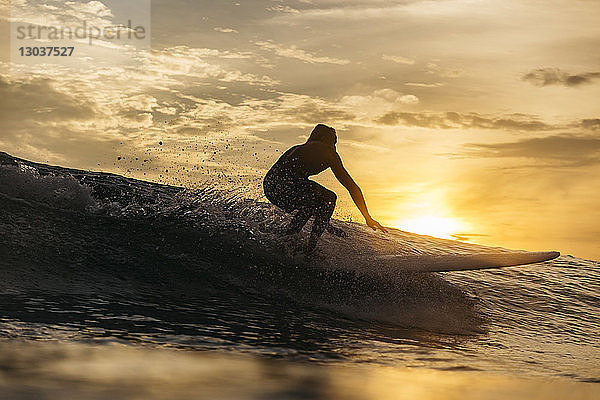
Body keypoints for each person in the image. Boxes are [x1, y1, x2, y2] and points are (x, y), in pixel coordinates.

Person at [263, 124, 386, 252]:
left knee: (312, 203)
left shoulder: (297, 148)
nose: (334, 146)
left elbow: (283, 175)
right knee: (329, 197)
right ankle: (310, 249)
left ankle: (286, 238)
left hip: (270, 187)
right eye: (333, 141)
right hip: (287, 185)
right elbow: (352, 187)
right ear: (323, 138)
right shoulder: (327, 151)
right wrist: (367, 217)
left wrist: (324, 222)